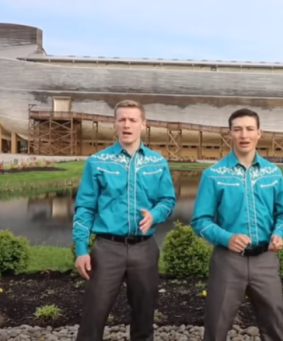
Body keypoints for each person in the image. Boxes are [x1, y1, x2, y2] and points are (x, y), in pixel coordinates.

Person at [72, 99, 177, 341]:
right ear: (115, 124)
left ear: (143, 124)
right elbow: (85, 208)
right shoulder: (97, 162)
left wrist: (155, 214)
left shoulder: (157, 162)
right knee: (93, 316)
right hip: (107, 249)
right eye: (122, 120)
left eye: (132, 120)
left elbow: (168, 200)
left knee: (144, 317)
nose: (127, 125)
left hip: (144, 249)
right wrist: (81, 248)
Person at [191, 108, 283, 341]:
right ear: (230, 134)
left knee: (275, 328)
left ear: (259, 133)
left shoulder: (273, 173)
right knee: (216, 328)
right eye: (238, 129)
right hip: (228, 261)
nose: (244, 135)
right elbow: (200, 221)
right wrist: (226, 237)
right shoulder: (213, 174)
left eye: (249, 129)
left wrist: (279, 233)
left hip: (265, 260)